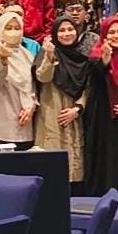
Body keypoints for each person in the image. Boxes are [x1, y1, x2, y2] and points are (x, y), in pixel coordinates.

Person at [83, 15, 118, 197]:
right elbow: (95, 76)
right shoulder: (96, 55)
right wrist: (105, 59)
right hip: (103, 119)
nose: (116, 36)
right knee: (105, 162)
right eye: (111, 32)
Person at [36, 16, 89, 184]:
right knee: (53, 163)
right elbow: (43, 77)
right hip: (52, 112)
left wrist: (78, 108)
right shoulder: (46, 53)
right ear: (55, 34)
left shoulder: (81, 57)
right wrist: (49, 57)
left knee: (75, 163)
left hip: (74, 114)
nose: (67, 34)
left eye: (70, 29)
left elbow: (88, 87)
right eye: (62, 30)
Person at [0, 7, 40, 150]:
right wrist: (3, 61)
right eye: (8, 28)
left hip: (24, 125)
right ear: (0, 29)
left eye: (17, 28)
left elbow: (31, 86)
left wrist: (31, 106)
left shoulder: (27, 55)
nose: (13, 32)